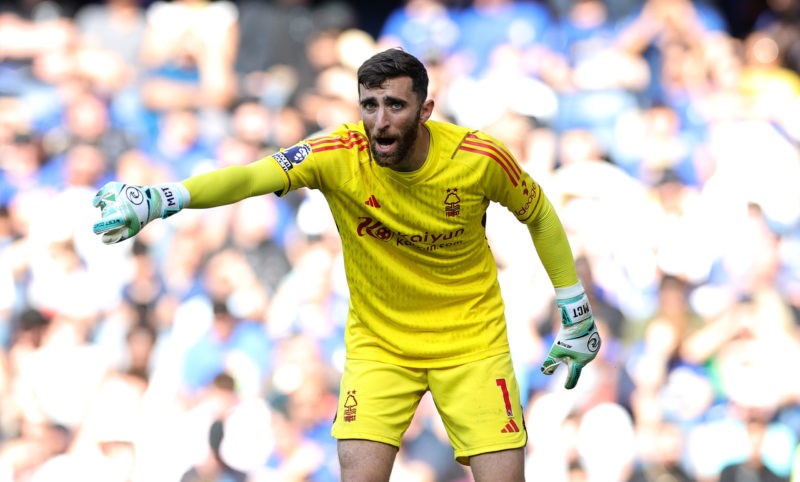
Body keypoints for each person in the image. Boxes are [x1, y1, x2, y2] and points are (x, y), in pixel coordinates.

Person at [91, 48, 601, 481]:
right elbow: (250, 177)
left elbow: (540, 213)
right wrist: (162, 197)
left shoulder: (478, 158)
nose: (380, 121)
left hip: (471, 345)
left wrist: (574, 309)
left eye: (395, 105)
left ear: (427, 109)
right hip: (380, 348)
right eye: (370, 105)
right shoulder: (336, 152)